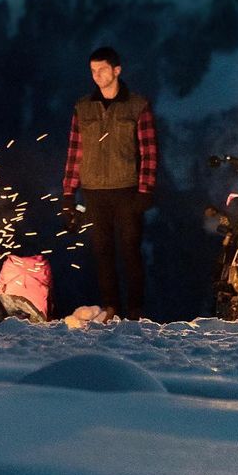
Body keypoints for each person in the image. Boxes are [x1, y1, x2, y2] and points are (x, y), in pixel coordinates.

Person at [60, 45, 157, 320]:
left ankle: (136, 311)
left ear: (117, 70)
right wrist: (68, 195)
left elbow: (149, 151)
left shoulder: (137, 106)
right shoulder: (83, 108)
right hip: (93, 191)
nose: (97, 75)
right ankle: (111, 309)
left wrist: (145, 190)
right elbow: (74, 152)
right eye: (93, 70)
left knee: (130, 252)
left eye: (102, 69)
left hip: (126, 189)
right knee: (102, 253)